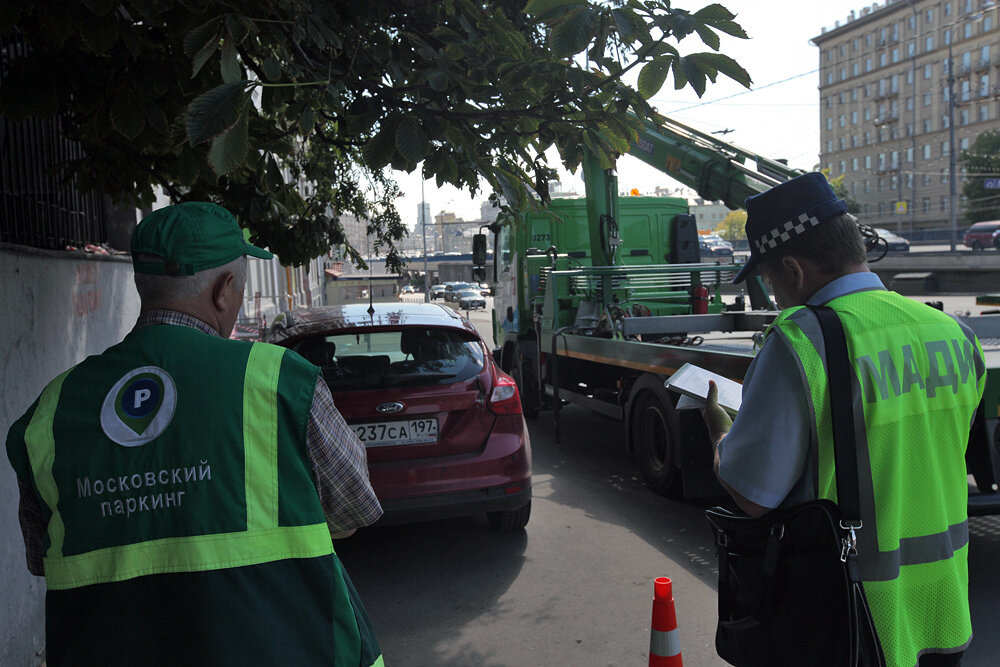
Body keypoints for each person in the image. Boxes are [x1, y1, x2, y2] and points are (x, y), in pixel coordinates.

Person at [6, 202, 385, 666]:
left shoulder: (51, 410)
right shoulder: (279, 381)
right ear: (225, 291)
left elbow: (41, 558)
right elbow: (356, 507)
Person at [702, 173, 984, 667]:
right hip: (944, 608)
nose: (774, 294)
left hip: (854, 617)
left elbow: (752, 496)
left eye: (768, 280)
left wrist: (720, 434)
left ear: (792, 269)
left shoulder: (803, 340)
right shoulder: (954, 334)